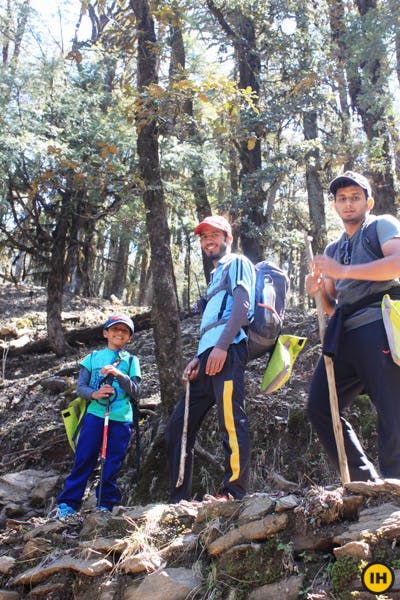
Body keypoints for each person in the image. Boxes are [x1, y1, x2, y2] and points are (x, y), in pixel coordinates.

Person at [306, 170, 400, 482]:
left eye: (355, 197)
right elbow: (332, 305)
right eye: (342, 198)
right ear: (334, 205)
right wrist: (319, 290)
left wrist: (342, 270)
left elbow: (397, 264)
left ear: (368, 202)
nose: (348, 203)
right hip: (344, 333)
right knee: (321, 406)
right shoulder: (333, 249)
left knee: (392, 408)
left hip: (379, 324)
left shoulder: (381, 226)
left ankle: (395, 485)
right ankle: (364, 481)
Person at [166, 215, 255, 502]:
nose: (208, 241)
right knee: (178, 427)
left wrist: (222, 347)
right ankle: (179, 499)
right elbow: (213, 322)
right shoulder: (215, 277)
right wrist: (198, 357)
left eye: (215, 235)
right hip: (207, 356)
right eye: (204, 237)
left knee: (231, 420)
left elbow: (242, 305)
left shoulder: (237, 262)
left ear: (228, 238)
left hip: (228, 352)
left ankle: (233, 492)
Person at [54, 314, 141, 518]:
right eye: (115, 329)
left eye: (125, 331)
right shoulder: (92, 358)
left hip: (121, 418)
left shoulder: (132, 360)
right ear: (105, 333)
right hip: (95, 414)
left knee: (112, 461)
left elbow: (136, 391)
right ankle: (68, 504)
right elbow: (81, 388)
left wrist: (119, 375)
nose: (120, 333)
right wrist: (95, 394)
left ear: (129, 338)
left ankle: (106, 505)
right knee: (84, 457)